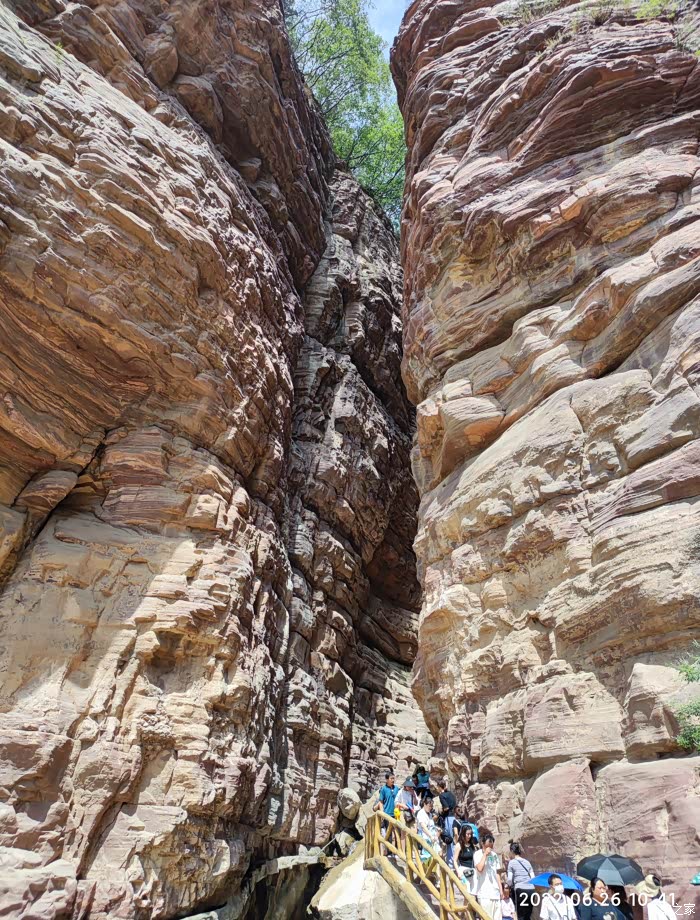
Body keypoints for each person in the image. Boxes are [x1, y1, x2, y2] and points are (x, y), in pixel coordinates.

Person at [475, 832, 504, 919]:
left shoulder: (494, 855)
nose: (489, 848)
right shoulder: (477, 854)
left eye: (491, 847)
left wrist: (501, 890)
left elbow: (497, 873)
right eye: (487, 846)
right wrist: (485, 854)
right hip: (484, 894)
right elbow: (479, 869)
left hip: (495, 893)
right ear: (482, 843)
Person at [507, 841, 535, 920]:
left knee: (520, 915)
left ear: (512, 851)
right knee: (528, 915)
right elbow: (533, 878)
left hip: (520, 890)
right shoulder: (527, 862)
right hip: (531, 890)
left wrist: (508, 885)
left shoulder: (511, 863)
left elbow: (509, 879)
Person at [453, 821, 478, 891]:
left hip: (472, 871)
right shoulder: (459, 845)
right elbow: (455, 860)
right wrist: (458, 872)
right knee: (467, 892)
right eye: (468, 834)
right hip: (463, 871)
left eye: (471, 834)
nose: (469, 836)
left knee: (473, 892)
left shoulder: (472, 846)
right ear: (463, 834)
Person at [415, 794, 440, 862]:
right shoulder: (421, 813)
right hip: (425, 836)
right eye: (429, 806)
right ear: (424, 804)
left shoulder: (429, 814)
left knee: (437, 854)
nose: (430, 808)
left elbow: (431, 825)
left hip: (431, 835)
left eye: (431, 806)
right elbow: (423, 827)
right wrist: (431, 836)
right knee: (426, 857)